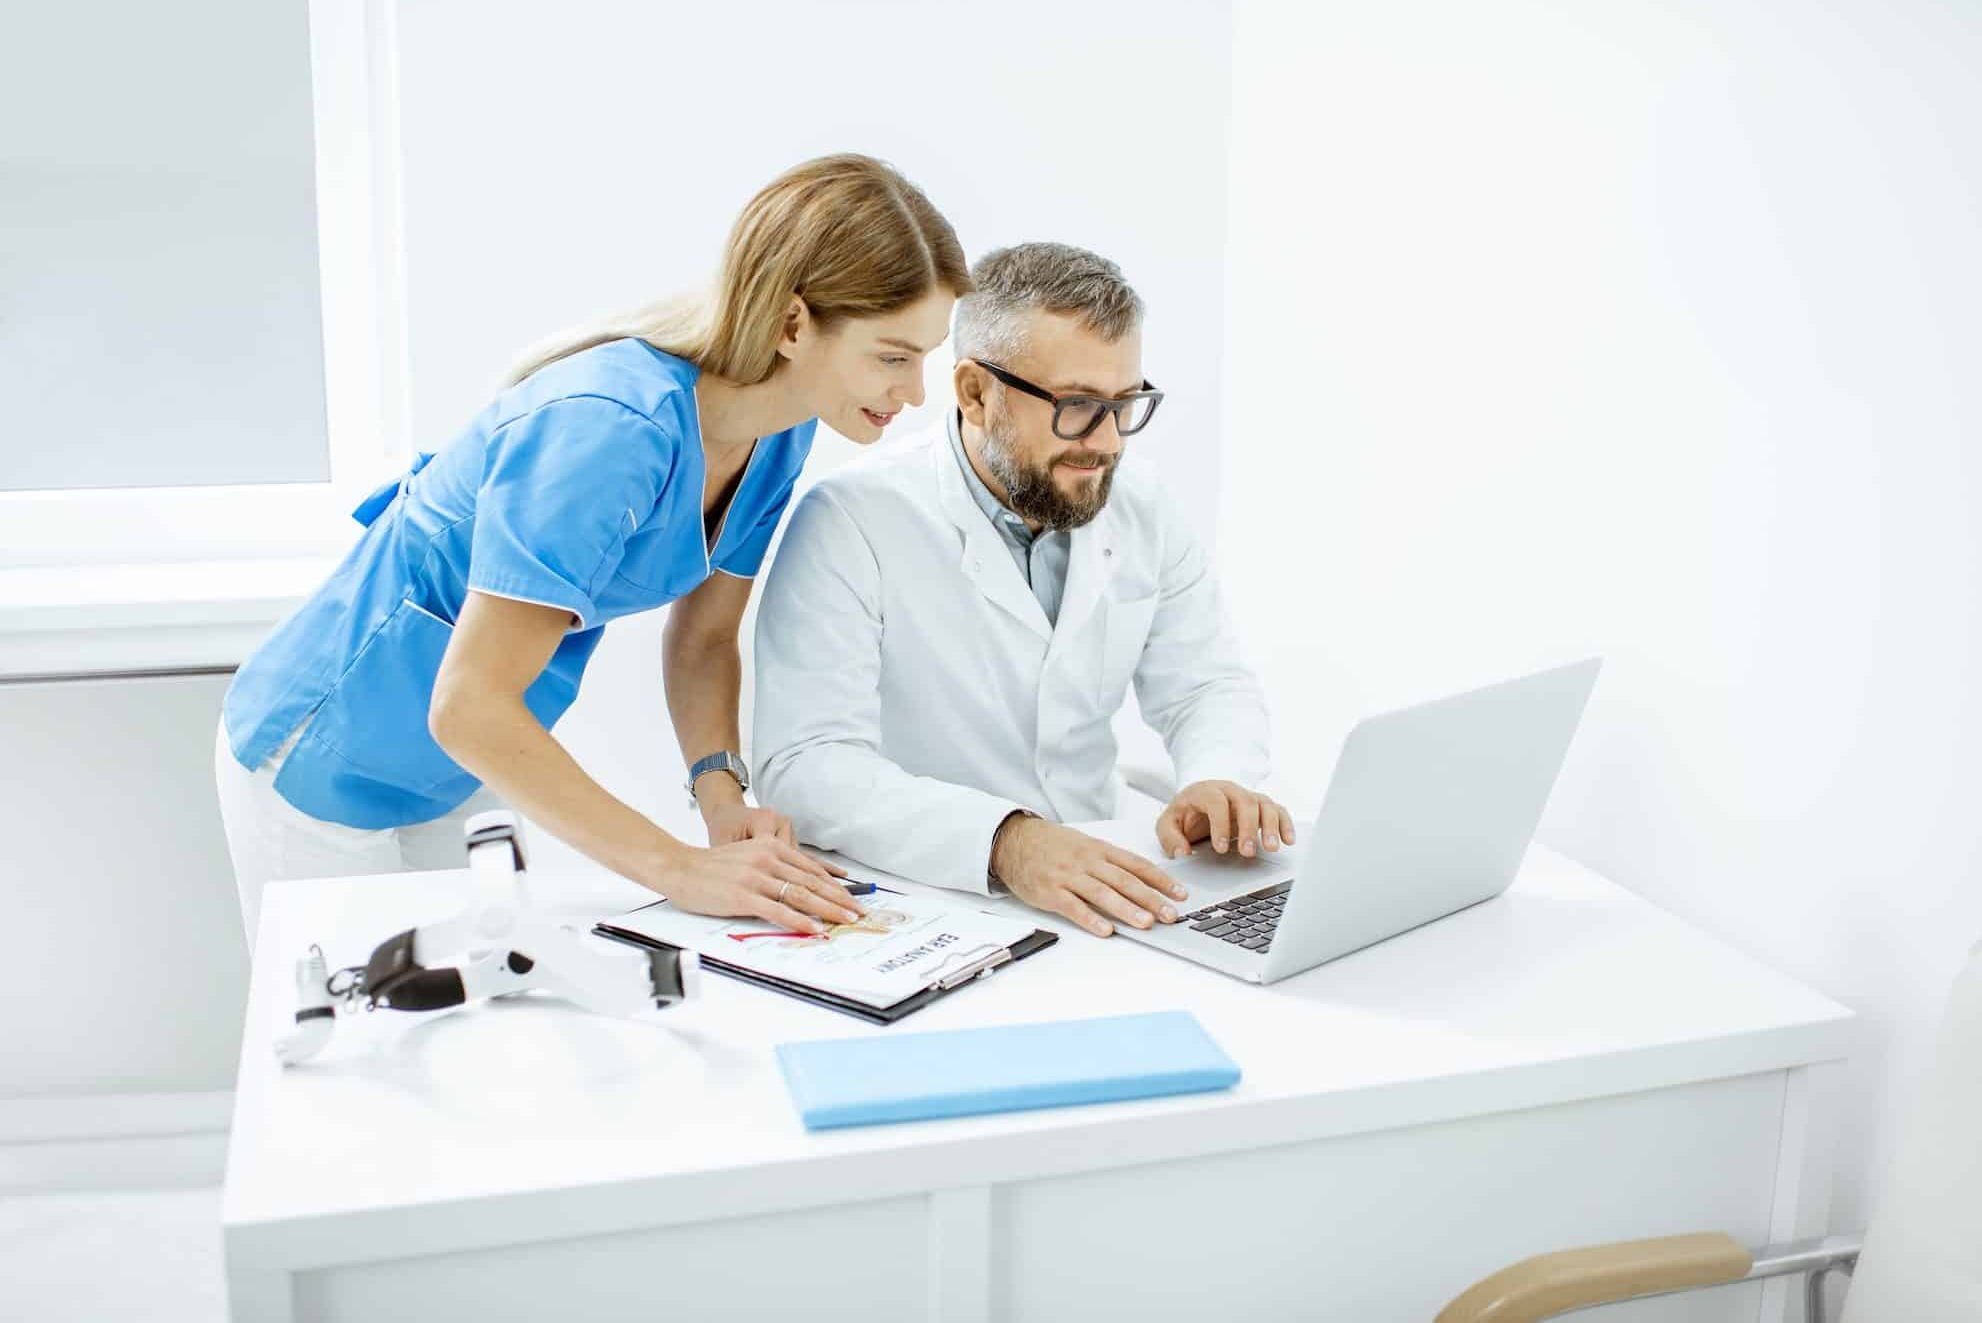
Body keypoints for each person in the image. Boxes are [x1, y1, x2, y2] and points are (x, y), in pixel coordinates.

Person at [215, 154, 967, 945]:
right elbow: (468, 703)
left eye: (925, 357)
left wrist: (722, 797)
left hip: (462, 762)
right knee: (360, 1046)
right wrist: (678, 868)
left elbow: (706, 638)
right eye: (894, 356)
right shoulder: (611, 429)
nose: (917, 393)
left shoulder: (780, 434)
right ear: (791, 324)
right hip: (321, 757)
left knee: (484, 1018)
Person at [753, 242, 1291, 937]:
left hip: (1111, 876)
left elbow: (1206, 686)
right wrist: (1006, 840)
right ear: (975, 392)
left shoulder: (1139, 503)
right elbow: (806, 764)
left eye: (1125, 404)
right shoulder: (851, 521)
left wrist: (1216, 780)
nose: (1106, 442)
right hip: (938, 901)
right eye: (1077, 406)